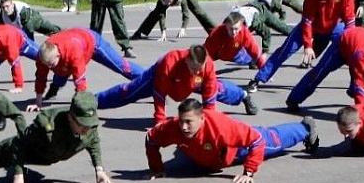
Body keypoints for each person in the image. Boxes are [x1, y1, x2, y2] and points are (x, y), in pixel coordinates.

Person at [143, 98, 320, 183]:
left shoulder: (221, 127)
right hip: (205, 156)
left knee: (271, 139)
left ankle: (304, 128)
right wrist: (157, 168)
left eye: (188, 122)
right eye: (181, 121)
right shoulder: (174, 126)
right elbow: (151, 139)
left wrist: (248, 172)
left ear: (202, 119)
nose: (183, 127)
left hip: (235, 150)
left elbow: (256, 141)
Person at [254, 0, 354, 87]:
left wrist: (350, 41)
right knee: (285, 50)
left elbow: (349, 21)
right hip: (311, 26)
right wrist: (307, 45)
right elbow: (307, 20)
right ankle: (259, 79)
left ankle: (356, 84)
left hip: (332, 27)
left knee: (350, 48)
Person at [97, 44, 254, 120]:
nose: (198, 72)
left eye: (200, 68)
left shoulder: (207, 67)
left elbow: (210, 96)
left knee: (220, 88)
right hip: (159, 77)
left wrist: (209, 120)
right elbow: (159, 94)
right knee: (129, 91)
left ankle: (243, 96)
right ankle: (92, 101)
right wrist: (160, 120)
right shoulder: (170, 62)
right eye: (194, 68)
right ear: (186, 60)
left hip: (188, 83)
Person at [284, 24, 364, 109]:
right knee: (320, 70)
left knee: (360, 75)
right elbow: (361, 89)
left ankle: (351, 89)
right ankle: (294, 99)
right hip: (344, 43)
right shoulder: (363, 60)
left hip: (359, 46)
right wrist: (363, 115)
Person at [33, 26, 136, 101]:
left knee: (120, 65)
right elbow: (40, 77)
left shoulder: (73, 52)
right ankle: (55, 87)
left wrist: (79, 102)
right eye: (46, 64)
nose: (48, 67)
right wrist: (38, 100)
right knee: (61, 68)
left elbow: (80, 79)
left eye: (50, 64)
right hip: (71, 41)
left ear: (58, 55)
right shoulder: (43, 55)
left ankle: (147, 77)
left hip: (91, 41)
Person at [132, 0, 215, 41]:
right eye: (166, 1)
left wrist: (183, 28)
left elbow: (185, 12)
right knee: (156, 13)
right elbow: (162, 16)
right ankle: (140, 32)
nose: (168, 3)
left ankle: (215, 31)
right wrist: (163, 33)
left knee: (198, 11)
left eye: (169, 1)